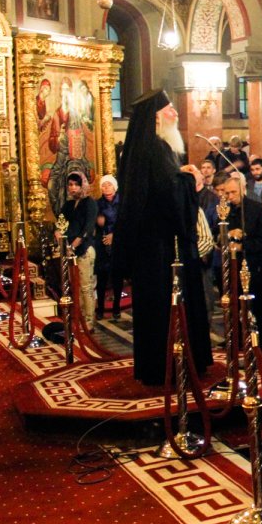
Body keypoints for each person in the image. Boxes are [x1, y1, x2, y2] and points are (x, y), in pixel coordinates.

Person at [114, 89, 213, 386]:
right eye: (171, 110)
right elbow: (169, 195)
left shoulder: (152, 149)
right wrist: (192, 181)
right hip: (163, 250)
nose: (177, 114)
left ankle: (160, 363)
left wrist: (179, 174)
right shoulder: (156, 148)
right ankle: (171, 364)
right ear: (157, 119)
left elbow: (162, 185)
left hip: (153, 247)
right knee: (166, 307)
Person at [219, 172, 262, 350]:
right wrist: (228, 235)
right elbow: (216, 236)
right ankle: (238, 343)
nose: (229, 196)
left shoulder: (257, 209)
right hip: (230, 267)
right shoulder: (225, 211)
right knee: (233, 307)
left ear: (242, 190)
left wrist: (244, 244)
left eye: (233, 192)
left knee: (256, 307)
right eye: (226, 193)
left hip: (253, 266)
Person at [58, 171, 99, 329]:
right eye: (70, 185)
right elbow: (61, 223)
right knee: (76, 286)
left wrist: (72, 245)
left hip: (84, 249)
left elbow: (88, 228)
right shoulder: (68, 205)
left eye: (76, 184)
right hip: (70, 251)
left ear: (82, 185)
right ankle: (80, 318)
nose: (73, 188)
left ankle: (89, 322)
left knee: (86, 286)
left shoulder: (90, 203)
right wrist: (58, 233)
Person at [95, 174, 121, 321]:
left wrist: (114, 236)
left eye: (109, 185)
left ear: (114, 187)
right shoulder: (98, 204)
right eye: (103, 186)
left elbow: (125, 222)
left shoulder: (122, 202)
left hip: (118, 243)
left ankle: (116, 307)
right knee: (102, 278)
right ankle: (100, 309)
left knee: (117, 277)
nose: (106, 188)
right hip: (103, 243)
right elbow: (96, 222)